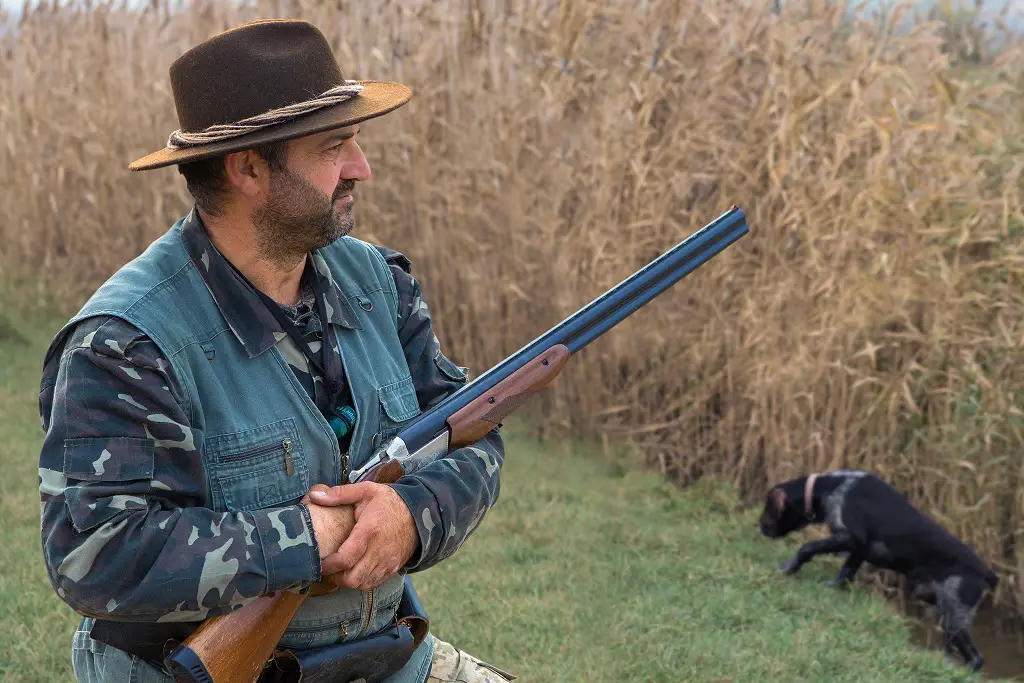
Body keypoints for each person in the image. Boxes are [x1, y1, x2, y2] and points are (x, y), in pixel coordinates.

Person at [37, 18, 515, 683]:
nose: (361, 168)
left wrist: (411, 515)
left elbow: (472, 435)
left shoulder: (383, 286)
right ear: (249, 168)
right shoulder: (126, 343)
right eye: (335, 147)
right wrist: (306, 540)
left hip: (386, 657)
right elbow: (96, 555)